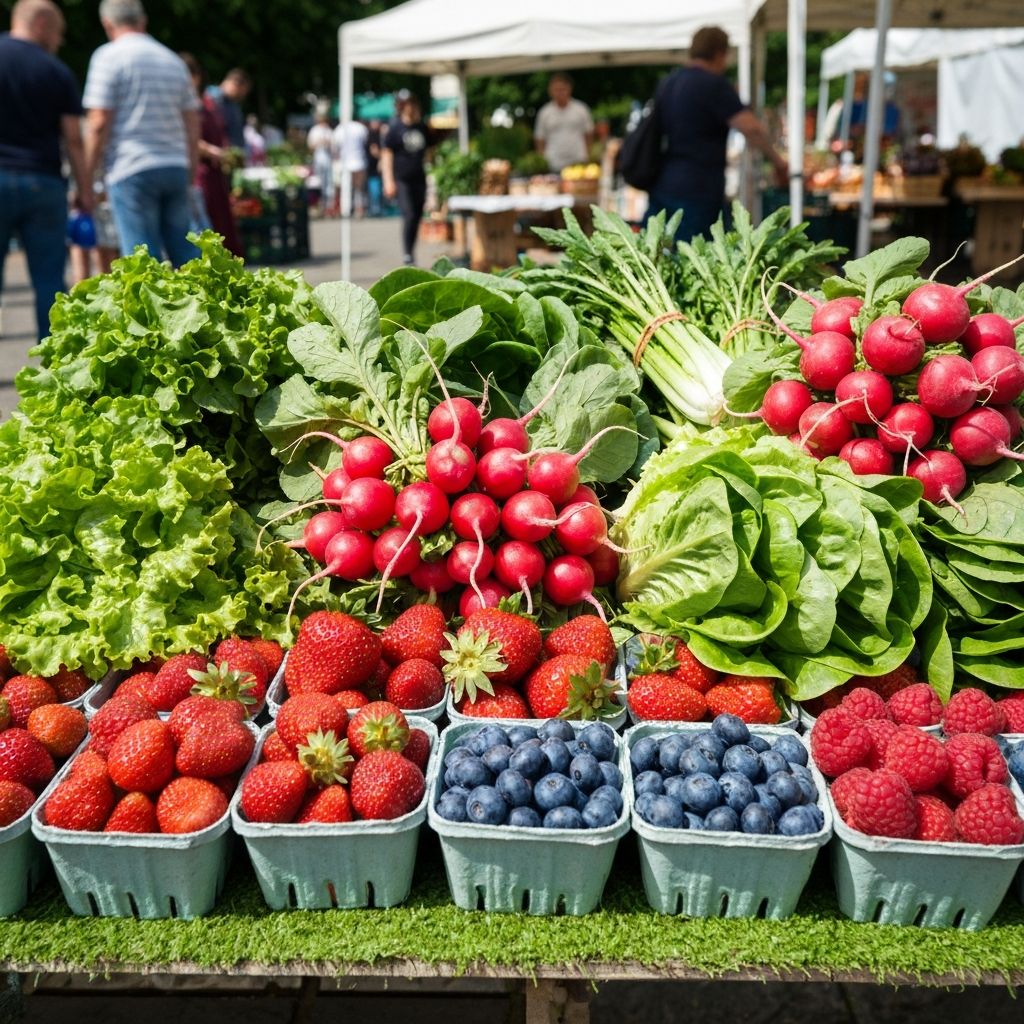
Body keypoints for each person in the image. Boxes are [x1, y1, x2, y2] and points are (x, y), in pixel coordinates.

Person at [82, 0, 200, 266]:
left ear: (107, 24)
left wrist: (86, 180)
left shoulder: (108, 57)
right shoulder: (172, 60)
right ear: (143, 21)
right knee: (186, 255)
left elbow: (98, 122)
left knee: (143, 262)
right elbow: (192, 124)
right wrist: (190, 172)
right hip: (175, 165)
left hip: (130, 167)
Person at [0, 0, 90, 340]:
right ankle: (54, 362)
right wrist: (84, 190)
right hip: (44, 183)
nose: (59, 41)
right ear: (40, 24)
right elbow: (74, 140)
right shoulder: (56, 71)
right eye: (57, 33)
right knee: (50, 281)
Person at [646, 25, 788, 242]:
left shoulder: (669, 82)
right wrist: (779, 162)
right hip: (698, 189)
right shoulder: (712, 84)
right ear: (720, 53)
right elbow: (752, 128)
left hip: (663, 183)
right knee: (696, 255)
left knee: (655, 252)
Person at [180, 52, 243, 258]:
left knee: (220, 223)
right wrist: (213, 151)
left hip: (214, 171)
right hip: (199, 172)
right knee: (204, 226)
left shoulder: (206, 102)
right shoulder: (186, 104)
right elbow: (189, 138)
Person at [381, 91, 433, 265]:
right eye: (406, 104)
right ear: (401, 107)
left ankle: (411, 251)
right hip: (402, 179)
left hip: (419, 178)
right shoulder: (395, 128)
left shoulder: (421, 127)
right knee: (409, 214)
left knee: (417, 215)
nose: (410, 107)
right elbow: (387, 154)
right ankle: (407, 254)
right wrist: (388, 181)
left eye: (412, 103)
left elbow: (429, 152)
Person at [533, 73, 593, 172]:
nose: (559, 93)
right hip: (553, 162)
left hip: (578, 161)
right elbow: (540, 138)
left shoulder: (581, 109)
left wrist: (588, 154)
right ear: (550, 91)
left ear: (569, 89)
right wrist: (542, 160)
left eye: (562, 89)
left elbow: (589, 134)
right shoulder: (544, 112)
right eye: (556, 90)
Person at [206, 68, 250, 151]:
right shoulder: (211, 97)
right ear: (235, 84)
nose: (242, 95)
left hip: (229, 152)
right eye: (241, 91)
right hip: (216, 152)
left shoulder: (233, 104)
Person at [334, 117, 368, 218]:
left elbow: (336, 145)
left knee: (347, 188)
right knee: (358, 188)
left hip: (346, 163)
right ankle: (358, 208)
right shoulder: (360, 128)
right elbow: (365, 142)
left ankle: (347, 209)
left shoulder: (340, 128)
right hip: (358, 161)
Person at [307, 105, 336, 216]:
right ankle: (319, 206)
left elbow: (334, 147)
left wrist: (328, 143)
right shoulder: (314, 130)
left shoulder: (329, 131)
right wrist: (319, 143)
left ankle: (328, 207)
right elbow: (310, 146)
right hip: (318, 160)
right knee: (318, 183)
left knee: (329, 184)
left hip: (328, 160)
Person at [365, 118, 384, 217]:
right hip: (373, 167)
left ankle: (376, 208)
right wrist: (383, 158)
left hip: (376, 167)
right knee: (374, 190)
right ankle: (375, 209)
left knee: (377, 189)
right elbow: (374, 151)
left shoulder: (380, 134)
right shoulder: (372, 135)